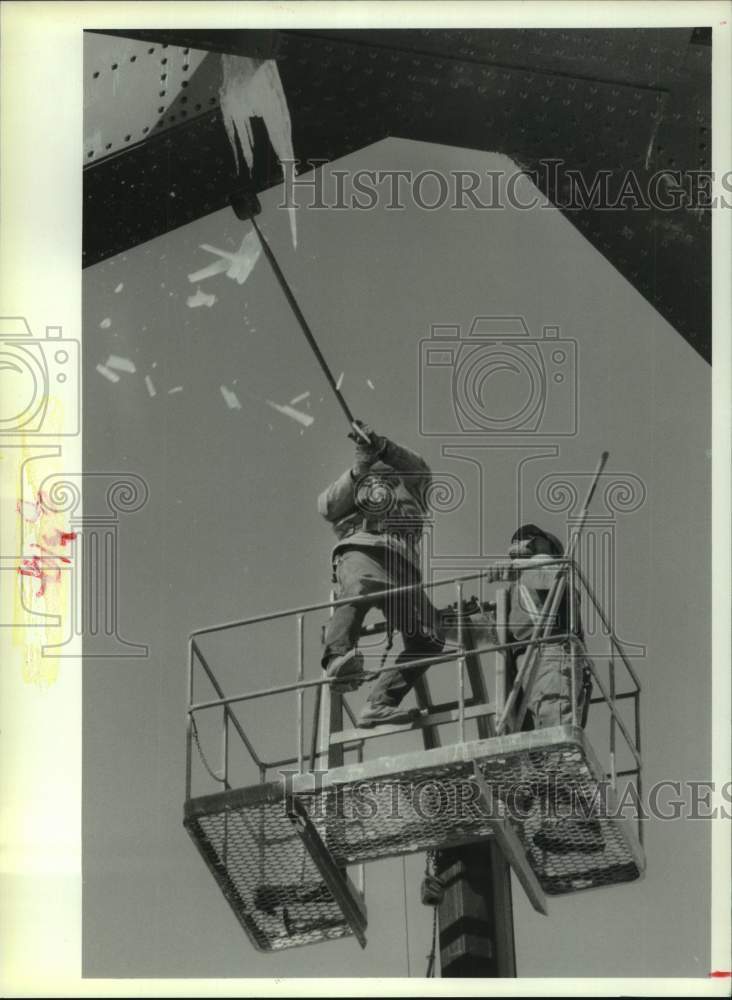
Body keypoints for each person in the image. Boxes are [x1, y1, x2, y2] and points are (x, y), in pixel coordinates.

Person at [318, 423, 444, 727]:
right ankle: (338, 658)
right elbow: (327, 507)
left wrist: (382, 445)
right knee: (360, 589)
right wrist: (361, 463)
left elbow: (417, 467)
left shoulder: (413, 482)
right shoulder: (356, 479)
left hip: (402, 563)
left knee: (429, 635)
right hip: (363, 547)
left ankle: (380, 702)